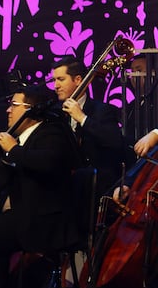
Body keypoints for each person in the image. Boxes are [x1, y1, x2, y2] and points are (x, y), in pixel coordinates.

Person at [0, 86, 81, 288]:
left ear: (31, 111)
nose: (8, 110)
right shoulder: (22, 137)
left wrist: (14, 150)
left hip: (46, 220)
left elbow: (48, 163)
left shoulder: (52, 132)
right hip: (26, 214)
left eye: (14, 105)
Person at [52, 56, 129, 193]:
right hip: (62, 188)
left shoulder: (102, 110)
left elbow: (115, 141)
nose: (56, 86)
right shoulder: (55, 112)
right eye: (54, 80)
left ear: (78, 80)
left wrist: (82, 118)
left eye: (61, 79)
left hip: (93, 188)